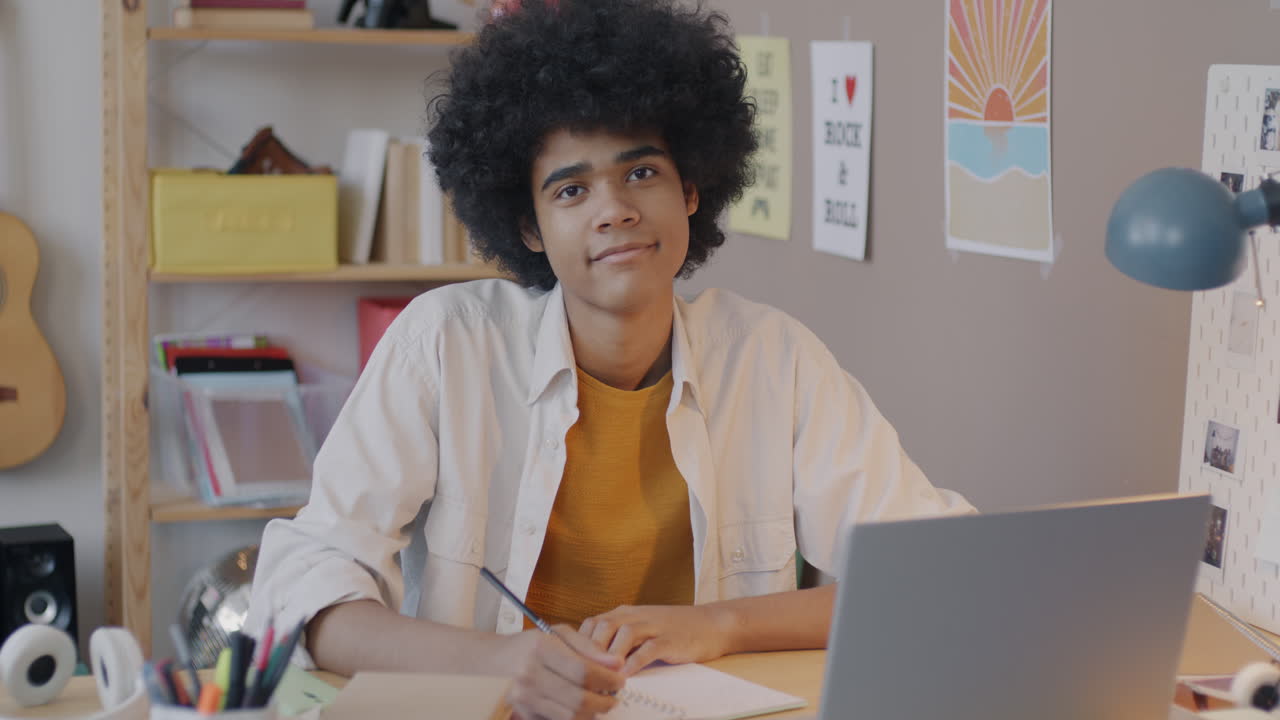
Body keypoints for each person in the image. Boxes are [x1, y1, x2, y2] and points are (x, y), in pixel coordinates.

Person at [247, 1, 975, 718]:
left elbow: (937, 569)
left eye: (642, 174)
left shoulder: (774, 358)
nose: (615, 209)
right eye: (571, 189)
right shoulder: (445, 342)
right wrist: (508, 664)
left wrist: (718, 625)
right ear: (529, 227)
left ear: (691, 189)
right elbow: (304, 593)